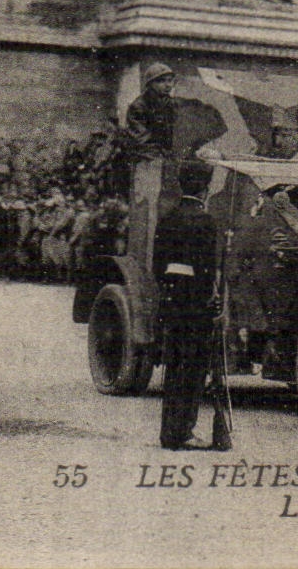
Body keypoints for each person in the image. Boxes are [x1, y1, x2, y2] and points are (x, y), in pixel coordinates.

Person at [152, 162, 226, 451]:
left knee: (174, 366)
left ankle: (168, 432)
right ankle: (184, 431)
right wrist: (211, 300)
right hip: (196, 303)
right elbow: (207, 269)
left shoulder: (167, 218)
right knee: (193, 369)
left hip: (172, 301)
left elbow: (157, 266)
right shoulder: (205, 221)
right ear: (205, 189)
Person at [125, 63, 178, 158]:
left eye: (170, 80)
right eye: (161, 81)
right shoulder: (139, 106)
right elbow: (141, 138)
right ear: (150, 84)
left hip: (164, 155)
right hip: (144, 157)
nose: (168, 85)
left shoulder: (170, 103)